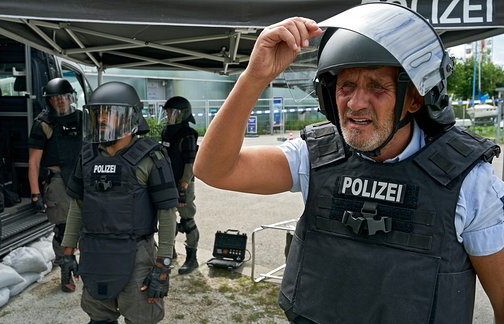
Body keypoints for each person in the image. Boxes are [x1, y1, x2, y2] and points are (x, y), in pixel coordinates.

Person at [194, 3, 504, 324]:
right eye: (346, 86)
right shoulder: (316, 153)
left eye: (377, 86)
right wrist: (255, 76)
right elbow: (214, 169)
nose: (356, 103)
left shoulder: (469, 180)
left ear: (414, 98)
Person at [60, 81, 179, 324]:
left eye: (109, 113)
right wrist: (68, 252)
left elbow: (167, 212)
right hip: (94, 252)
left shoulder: (150, 157)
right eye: (97, 114)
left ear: (129, 118)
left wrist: (163, 265)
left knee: (141, 318)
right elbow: (78, 205)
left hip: (135, 253)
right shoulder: (87, 155)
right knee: (98, 316)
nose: (101, 119)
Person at [28, 77, 82, 292]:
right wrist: (35, 194)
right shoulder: (43, 124)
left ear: (71, 98)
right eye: (55, 98)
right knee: (63, 228)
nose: (60, 102)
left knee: (90, 226)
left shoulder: (83, 118)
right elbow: (33, 162)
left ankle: (88, 268)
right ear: (49, 102)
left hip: (82, 177)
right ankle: (66, 271)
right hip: (59, 180)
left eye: (64, 97)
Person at [160, 96, 200, 275]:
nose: (169, 116)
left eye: (172, 113)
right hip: (168, 181)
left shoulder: (187, 134)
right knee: (167, 218)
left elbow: (190, 163)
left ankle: (192, 258)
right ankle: (169, 252)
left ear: (183, 114)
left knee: (187, 221)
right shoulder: (166, 132)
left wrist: (183, 186)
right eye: (168, 113)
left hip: (182, 182)